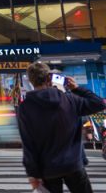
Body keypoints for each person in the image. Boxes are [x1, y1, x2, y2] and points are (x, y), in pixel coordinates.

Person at [18, 62, 105, 193]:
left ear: (31, 81)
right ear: (49, 78)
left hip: (47, 169)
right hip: (73, 165)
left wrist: (32, 173)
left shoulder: (25, 108)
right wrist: (77, 88)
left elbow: (28, 143)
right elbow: (98, 104)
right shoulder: (69, 100)